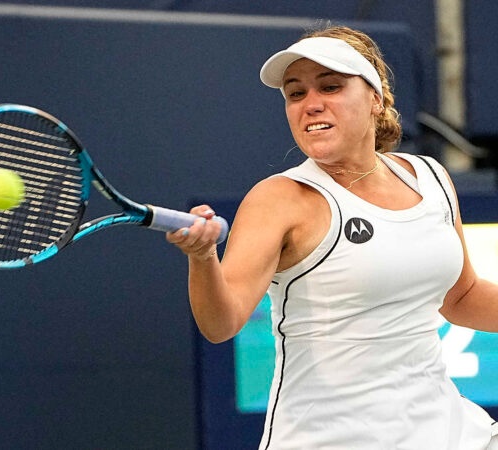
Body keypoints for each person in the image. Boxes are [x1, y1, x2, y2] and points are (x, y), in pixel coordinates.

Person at [166, 25, 498, 449]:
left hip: (449, 432)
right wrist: (202, 257)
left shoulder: (430, 177)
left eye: (331, 86)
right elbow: (221, 323)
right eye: (296, 93)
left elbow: (462, 296)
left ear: (376, 98)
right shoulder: (279, 199)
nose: (311, 104)